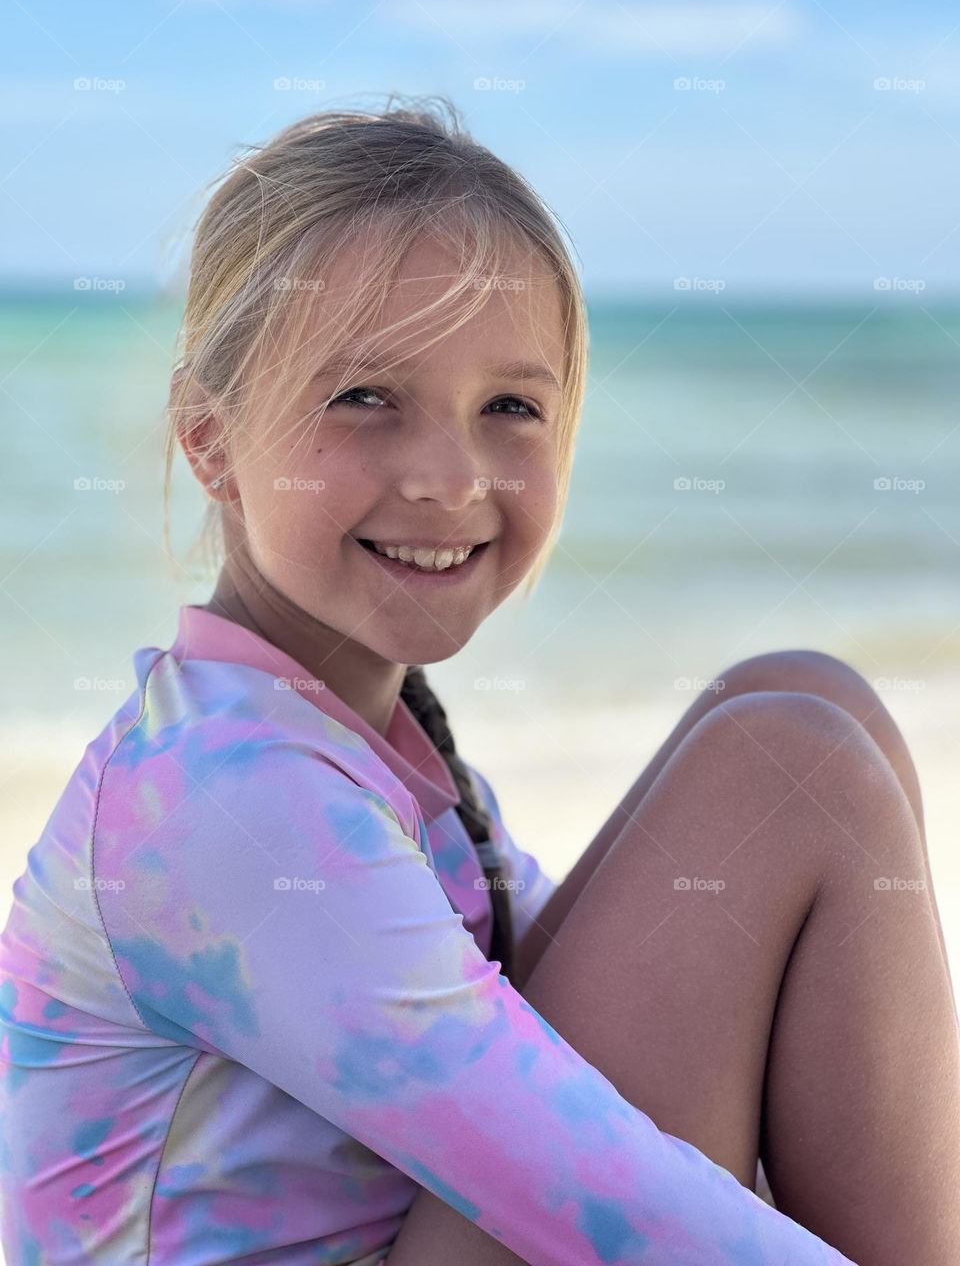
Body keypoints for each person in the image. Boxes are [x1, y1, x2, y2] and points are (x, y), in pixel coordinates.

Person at [1, 94, 958, 1266]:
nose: (452, 480)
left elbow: (651, 1035)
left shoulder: (388, 759)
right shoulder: (221, 797)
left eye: (511, 406)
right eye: (364, 397)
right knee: (789, 763)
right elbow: (597, 1187)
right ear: (209, 439)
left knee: (801, 698)